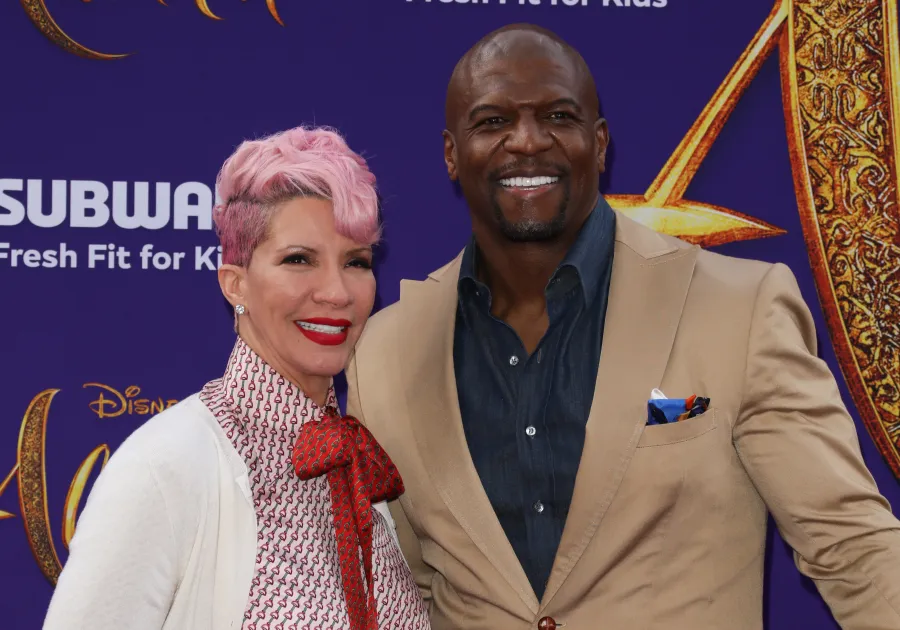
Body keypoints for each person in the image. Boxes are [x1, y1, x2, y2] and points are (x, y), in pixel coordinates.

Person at [345, 24, 900, 630]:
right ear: (452, 155)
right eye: (493, 121)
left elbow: (852, 548)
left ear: (600, 143)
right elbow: (399, 590)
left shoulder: (739, 309)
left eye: (558, 116)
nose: (526, 141)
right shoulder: (383, 351)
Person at [43, 126, 431, 630]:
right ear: (235, 283)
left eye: (356, 262)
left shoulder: (360, 461)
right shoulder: (166, 467)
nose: (337, 292)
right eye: (299, 260)